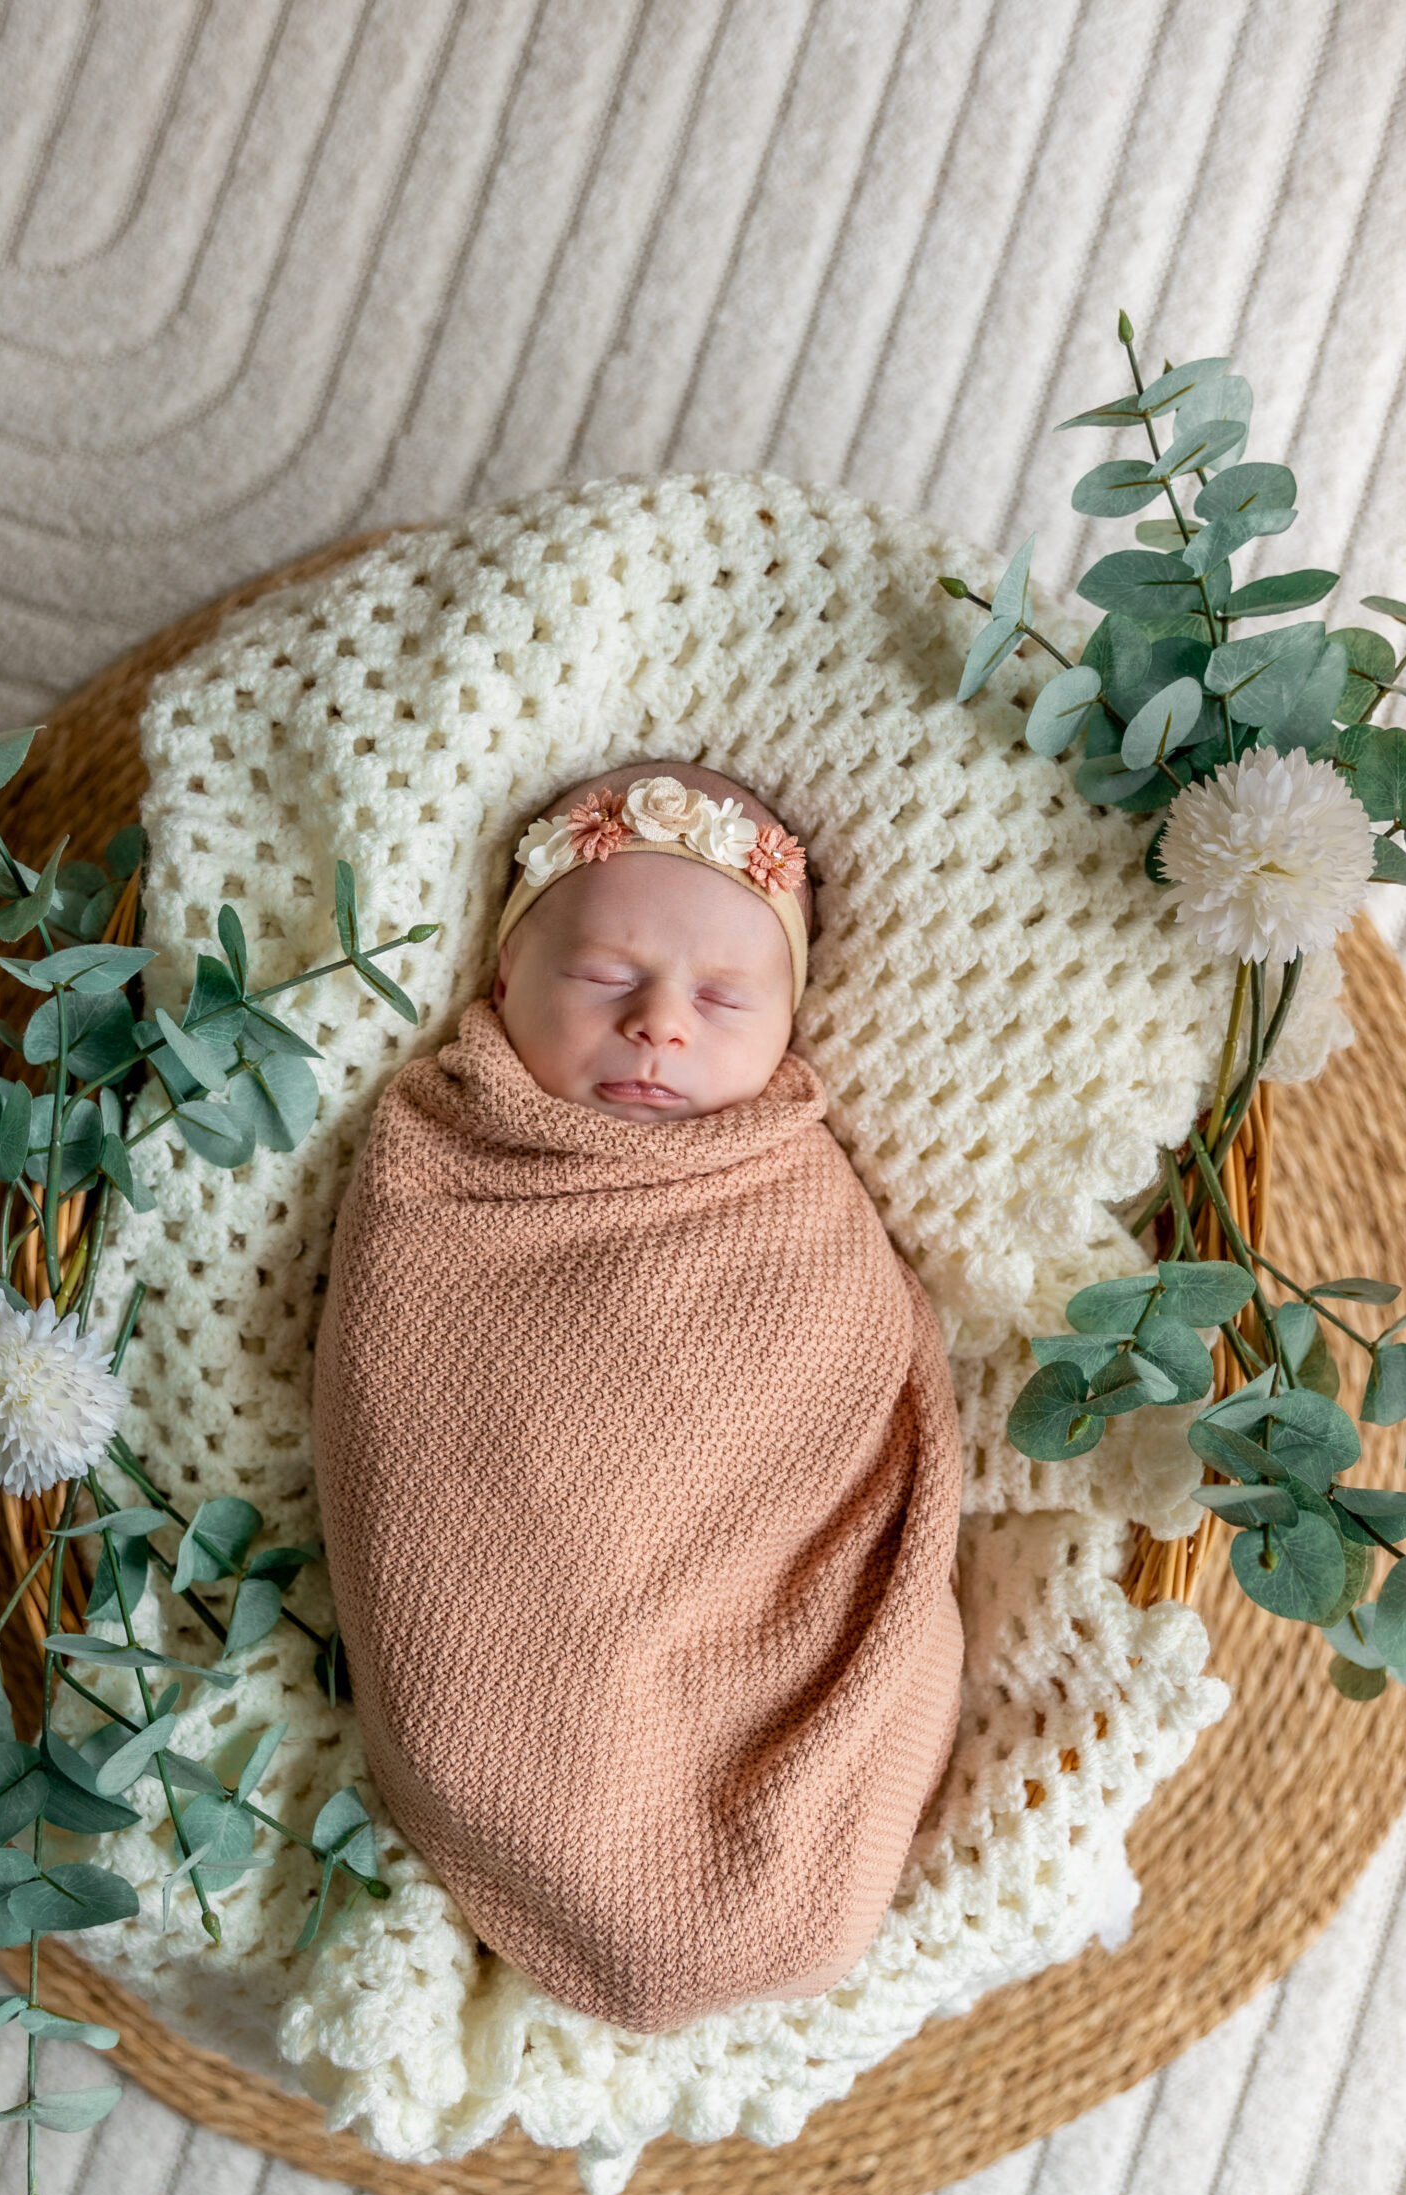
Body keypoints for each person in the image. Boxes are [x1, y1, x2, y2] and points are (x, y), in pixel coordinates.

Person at [312, 765, 964, 2033]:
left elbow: (852, 1384)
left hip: (770, 1610)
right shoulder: (443, 1167)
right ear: (501, 984)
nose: (662, 1022)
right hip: (519, 1636)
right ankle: (559, 1849)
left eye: (723, 998)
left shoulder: (785, 1183)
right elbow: (402, 1401)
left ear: (789, 1032)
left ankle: (774, 1864)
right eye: (607, 978)